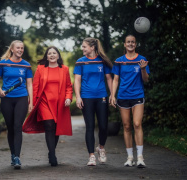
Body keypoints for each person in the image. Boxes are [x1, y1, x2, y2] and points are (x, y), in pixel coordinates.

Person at [22, 46, 73, 166]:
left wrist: (68, 98)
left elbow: (68, 86)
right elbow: (35, 87)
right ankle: (53, 154)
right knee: (49, 125)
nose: (52, 55)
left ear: (58, 55)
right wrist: (32, 103)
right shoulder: (41, 69)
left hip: (59, 103)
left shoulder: (64, 69)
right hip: (44, 102)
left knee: (56, 128)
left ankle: (51, 152)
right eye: (49, 53)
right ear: (47, 56)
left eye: (54, 53)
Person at [110, 35, 150, 168]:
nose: (131, 44)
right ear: (124, 44)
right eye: (128, 42)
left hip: (137, 95)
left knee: (137, 124)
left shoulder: (142, 59)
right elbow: (115, 80)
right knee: (127, 126)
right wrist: (112, 95)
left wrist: (143, 69)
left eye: (133, 42)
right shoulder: (119, 61)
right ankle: (130, 157)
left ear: (136, 44)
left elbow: (146, 80)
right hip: (123, 96)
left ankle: (140, 157)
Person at [73, 37, 113, 166]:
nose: (82, 49)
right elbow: (77, 80)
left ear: (92, 47)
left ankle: (101, 148)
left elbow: (109, 79)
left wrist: (112, 95)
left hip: (102, 96)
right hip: (86, 97)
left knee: (103, 126)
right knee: (89, 126)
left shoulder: (102, 61)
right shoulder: (80, 62)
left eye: (84, 46)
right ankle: (91, 156)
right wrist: (78, 97)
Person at [0, 40, 33, 169]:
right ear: (11, 49)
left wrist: (30, 102)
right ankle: (12, 154)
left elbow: (29, 84)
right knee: (10, 128)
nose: (20, 50)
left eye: (22, 48)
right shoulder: (3, 63)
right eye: (18, 48)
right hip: (6, 99)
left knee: (17, 126)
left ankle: (17, 157)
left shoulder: (26, 65)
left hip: (21, 98)